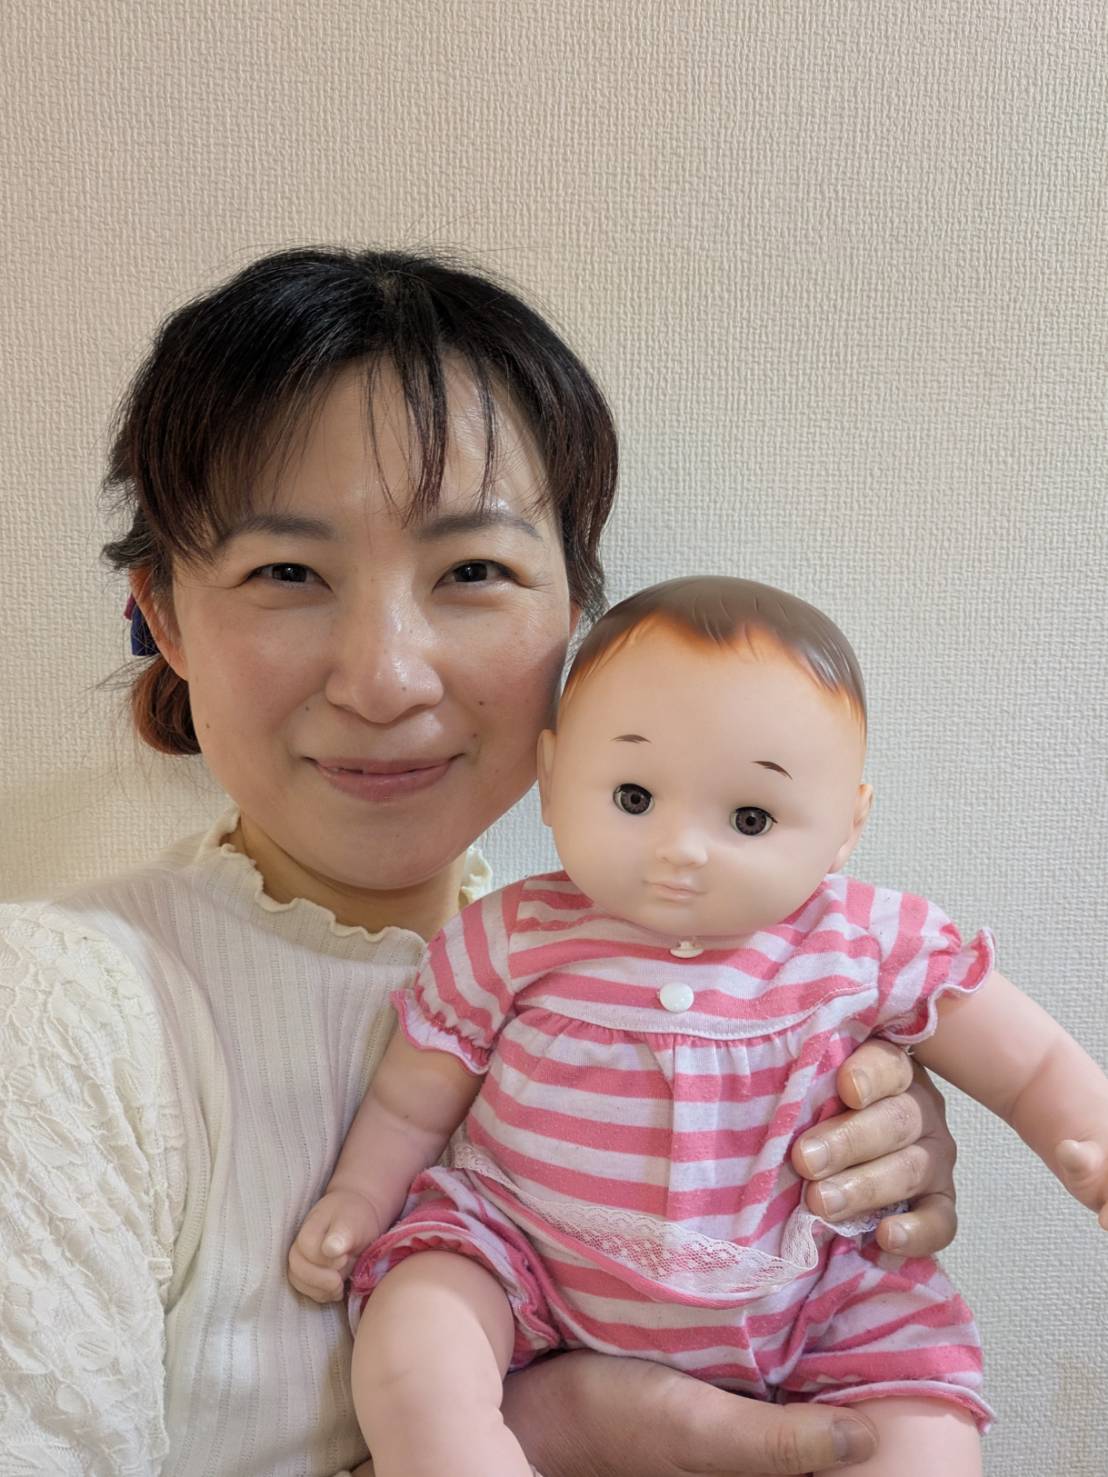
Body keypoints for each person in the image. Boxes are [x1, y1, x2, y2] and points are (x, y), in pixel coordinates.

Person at [2, 249, 965, 1477]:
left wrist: (844, 1175)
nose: (385, 677)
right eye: (286, 572)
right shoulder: (57, 1012)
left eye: (472, 572)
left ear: (579, 624)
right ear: (168, 613)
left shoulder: (663, 982)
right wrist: (562, 1427)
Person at [293, 576, 1108, 1477]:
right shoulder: (510, 936)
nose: (681, 847)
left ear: (847, 826)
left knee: (920, 1418)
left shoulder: (867, 941)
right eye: (634, 796)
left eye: (749, 817)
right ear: (554, 779)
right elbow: (412, 1103)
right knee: (419, 1333)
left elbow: (1030, 1064)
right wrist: (358, 1197)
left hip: (809, 1288)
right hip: (528, 1256)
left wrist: (1091, 1134)